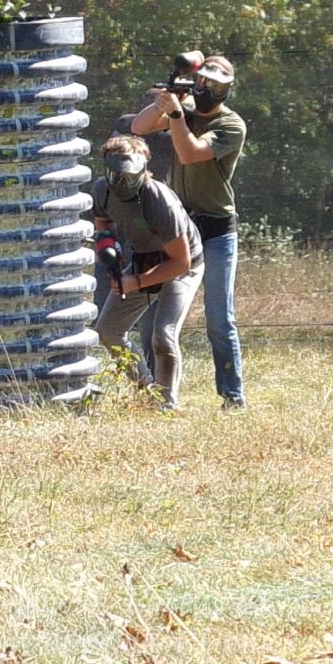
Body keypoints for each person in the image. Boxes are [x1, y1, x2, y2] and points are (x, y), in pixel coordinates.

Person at [132, 54, 247, 411]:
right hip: (179, 226)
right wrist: (164, 102)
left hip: (217, 229)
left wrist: (177, 114)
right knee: (153, 312)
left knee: (219, 318)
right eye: (203, 81)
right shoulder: (186, 109)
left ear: (226, 89)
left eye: (216, 85)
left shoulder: (231, 124)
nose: (207, 89)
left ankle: (233, 397)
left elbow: (190, 153)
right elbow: (139, 127)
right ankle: (155, 394)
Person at [92, 134, 203, 409]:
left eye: (128, 176)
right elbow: (103, 223)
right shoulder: (102, 189)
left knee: (163, 335)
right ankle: (148, 392)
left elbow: (180, 262)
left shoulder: (158, 200)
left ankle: (167, 405)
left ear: (143, 169)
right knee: (108, 332)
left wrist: (137, 281)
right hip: (142, 258)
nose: (121, 182)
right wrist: (109, 249)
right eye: (116, 175)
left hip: (182, 266)